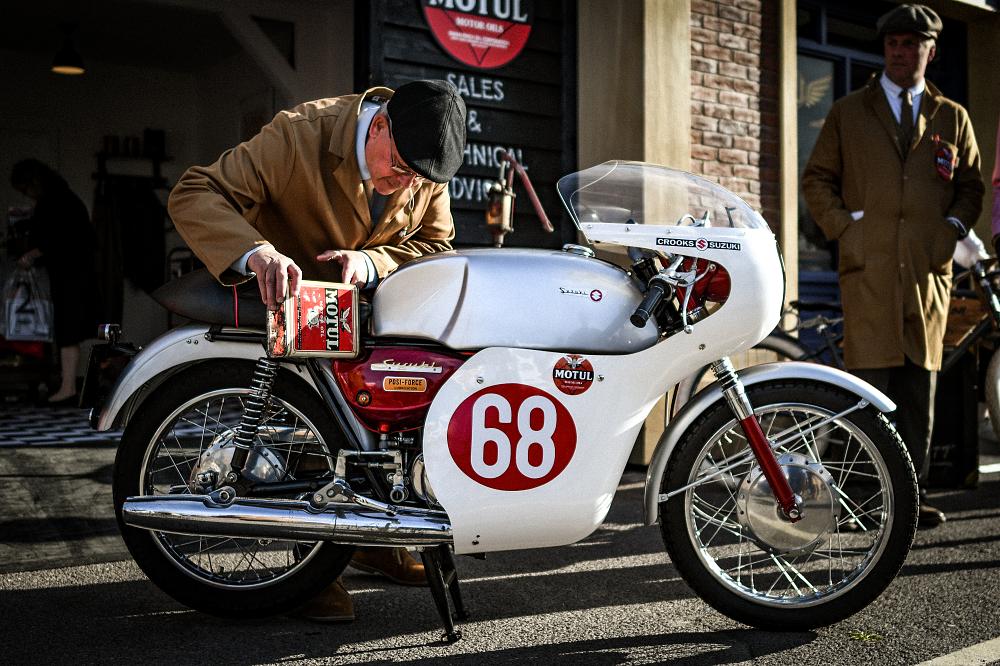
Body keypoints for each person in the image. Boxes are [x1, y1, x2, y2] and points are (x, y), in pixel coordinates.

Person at [167, 79, 467, 621]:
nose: (403, 183)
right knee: (311, 429)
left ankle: (371, 541)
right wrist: (257, 253)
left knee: (382, 420)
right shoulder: (299, 135)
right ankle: (309, 567)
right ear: (379, 125)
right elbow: (196, 191)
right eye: (398, 167)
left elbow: (435, 244)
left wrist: (371, 262)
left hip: (367, 315)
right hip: (289, 305)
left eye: (416, 179)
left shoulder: (422, 162)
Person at [801, 4, 984, 529]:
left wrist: (950, 230)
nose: (901, 53)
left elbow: (970, 187)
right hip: (870, 270)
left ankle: (909, 499)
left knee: (918, 392)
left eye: (912, 44)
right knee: (866, 391)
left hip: (927, 274)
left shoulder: (952, 117)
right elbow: (817, 180)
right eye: (893, 44)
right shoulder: (849, 112)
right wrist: (846, 229)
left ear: (931, 51)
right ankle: (860, 503)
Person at [10, 159, 99, 406]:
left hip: (70, 274)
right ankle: (67, 385)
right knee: (68, 329)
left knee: (67, 329)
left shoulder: (56, 201)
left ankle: (68, 386)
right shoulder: (63, 198)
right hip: (74, 272)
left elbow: (59, 238)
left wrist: (33, 254)